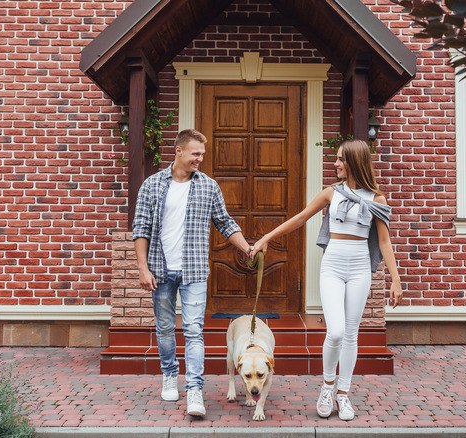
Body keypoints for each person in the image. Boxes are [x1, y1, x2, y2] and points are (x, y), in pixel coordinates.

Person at [250, 139, 402, 421]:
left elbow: (384, 241)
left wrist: (396, 279)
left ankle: (343, 394)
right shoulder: (331, 193)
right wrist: (266, 238)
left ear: (355, 162)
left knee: (351, 333)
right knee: (335, 332)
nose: (335, 164)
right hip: (332, 265)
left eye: (341, 159)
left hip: (359, 268)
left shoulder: (377, 200)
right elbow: (300, 218)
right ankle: (328, 386)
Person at [133, 128, 251, 417]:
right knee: (164, 329)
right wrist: (142, 267)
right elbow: (141, 229)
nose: (200, 158)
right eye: (196, 153)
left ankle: (194, 389)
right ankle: (170, 375)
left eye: (203, 154)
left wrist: (247, 247)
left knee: (194, 331)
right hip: (160, 270)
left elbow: (224, 222)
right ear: (179, 151)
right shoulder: (152, 185)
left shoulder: (208, 186)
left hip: (194, 270)